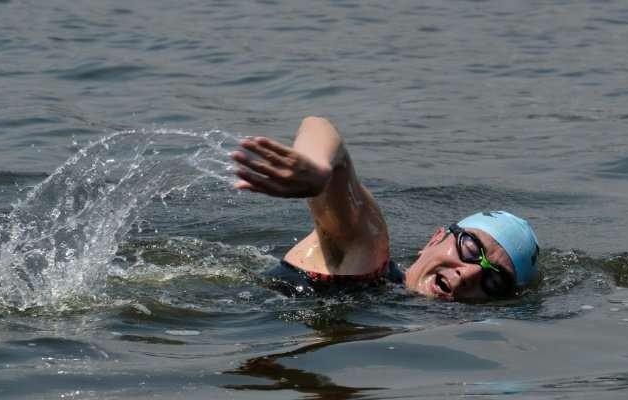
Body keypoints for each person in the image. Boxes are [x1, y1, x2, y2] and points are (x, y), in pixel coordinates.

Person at [230, 116, 539, 302]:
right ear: (435, 238)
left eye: (495, 280)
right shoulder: (366, 253)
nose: (469, 272)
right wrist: (318, 168)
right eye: (470, 248)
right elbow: (322, 129)